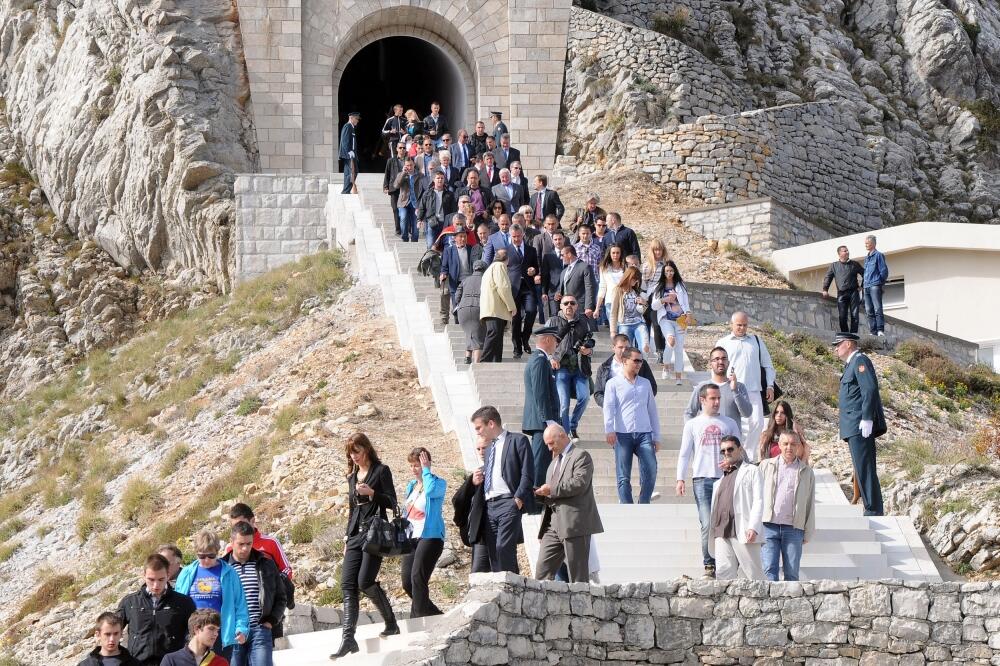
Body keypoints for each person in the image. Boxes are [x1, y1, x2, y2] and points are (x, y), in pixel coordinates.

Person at [330, 433, 399, 659]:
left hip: (375, 533)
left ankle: (390, 622)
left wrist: (372, 494)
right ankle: (348, 639)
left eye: (357, 451)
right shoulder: (352, 476)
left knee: (364, 581)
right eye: (351, 452)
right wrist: (346, 538)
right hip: (354, 536)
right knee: (347, 584)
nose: (354, 456)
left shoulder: (381, 471)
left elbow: (392, 502)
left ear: (366, 449)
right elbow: (352, 510)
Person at [676, 383, 741, 579]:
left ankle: (732, 562)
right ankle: (709, 565)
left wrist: (733, 465)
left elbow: (740, 452)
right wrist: (681, 478)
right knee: (707, 523)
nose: (717, 402)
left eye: (719, 398)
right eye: (713, 398)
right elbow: (685, 453)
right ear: (702, 400)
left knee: (729, 521)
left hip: (726, 478)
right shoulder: (693, 424)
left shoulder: (729, 423)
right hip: (702, 479)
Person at [533, 424, 603, 583]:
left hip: (574, 523)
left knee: (577, 576)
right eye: (547, 445)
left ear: (563, 436)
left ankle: (581, 607)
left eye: (552, 443)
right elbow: (552, 495)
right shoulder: (553, 464)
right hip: (552, 525)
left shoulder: (581, 455)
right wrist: (539, 494)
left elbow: (579, 483)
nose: (549, 448)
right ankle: (543, 607)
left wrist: (550, 489)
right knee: (542, 572)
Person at [470, 406, 534, 573]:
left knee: (503, 547)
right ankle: (509, 590)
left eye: (479, 428)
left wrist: (518, 499)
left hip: (508, 502)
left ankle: (511, 589)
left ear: (490, 423)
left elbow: (528, 473)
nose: (477, 432)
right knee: (495, 553)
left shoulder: (518, 441)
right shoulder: (490, 448)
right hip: (489, 505)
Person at [833, 331, 886, 516]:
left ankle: (873, 510)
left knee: (865, 467)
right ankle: (870, 507)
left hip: (859, 424)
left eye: (838, 344)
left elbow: (869, 389)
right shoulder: (850, 365)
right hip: (853, 425)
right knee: (860, 467)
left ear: (848, 344)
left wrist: (867, 418)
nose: (836, 349)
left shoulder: (859, 360)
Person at [175, 530, 249, 660]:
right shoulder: (186, 573)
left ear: (218, 552)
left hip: (220, 634)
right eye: (202, 556)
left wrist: (241, 629)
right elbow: (177, 604)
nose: (206, 560)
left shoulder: (229, 573)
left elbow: (240, 604)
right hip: (193, 633)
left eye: (211, 555)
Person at [222, 522, 287, 666]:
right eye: (240, 544)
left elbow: (281, 597)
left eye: (249, 543)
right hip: (233, 633)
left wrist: (271, 621)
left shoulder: (266, 564)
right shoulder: (222, 567)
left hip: (260, 629)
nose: (245, 548)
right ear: (231, 542)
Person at [603, 347, 660, 504]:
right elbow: (608, 408)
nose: (639, 364)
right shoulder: (613, 383)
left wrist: (657, 436)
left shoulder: (646, 383)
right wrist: (609, 430)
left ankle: (644, 502)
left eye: (641, 361)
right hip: (622, 434)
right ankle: (627, 507)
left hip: (644, 433)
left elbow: (652, 411)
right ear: (624, 360)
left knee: (651, 468)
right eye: (636, 360)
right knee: (623, 476)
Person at [117, 554, 196, 666]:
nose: (156, 585)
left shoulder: (184, 603)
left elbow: (194, 635)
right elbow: (111, 631)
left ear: (168, 575)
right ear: (143, 575)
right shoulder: (130, 602)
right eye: (151, 579)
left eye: (161, 579)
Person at [716, 312, 776, 457]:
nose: (742, 328)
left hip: (753, 389)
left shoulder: (756, 340)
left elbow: (768, 365)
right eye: (739, 325)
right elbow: (716, 365)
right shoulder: (723, 342)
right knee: (733, 424)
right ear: (731, 324)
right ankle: (732, 454)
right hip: (731, 389)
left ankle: (747, 455)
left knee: (757, 423)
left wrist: (770, 386)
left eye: (745, 325)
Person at [759, 432, 816, 581]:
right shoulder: (766, 466)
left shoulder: (806, 472)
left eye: (793, 444)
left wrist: (808, 530)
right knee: (769, 571)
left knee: (791, 573)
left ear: (798, 446)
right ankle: (770, 604)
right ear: (779, 445)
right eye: (785, 444)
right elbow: (756, 497)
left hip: (793, 528)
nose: (789, 447)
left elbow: (809, 503)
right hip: (769, 526)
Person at [709, 435, 764, 580]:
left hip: (743, 528)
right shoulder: (720, 479)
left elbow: (759, 500)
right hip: (721, 529)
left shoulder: (752, 470)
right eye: (723, 451)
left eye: (730, 449)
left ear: (740, 449)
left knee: (754, 573)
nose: (726, 453)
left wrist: (753, 526)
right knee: (723, 573)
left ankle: (763, 602)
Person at [400, 447, 446, 619]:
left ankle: (416, 621)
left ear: (426, 463)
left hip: (430, 537)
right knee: (407, 582)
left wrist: (426, 470)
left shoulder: (438, 483)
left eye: (417, 465)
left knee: (418, 577)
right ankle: (437, 616)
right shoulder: (411, 486)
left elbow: (431, 491)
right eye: (411, 465)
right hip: (411, 538)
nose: (414, 469)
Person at [550, 297, 595, 440]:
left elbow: (590, 342)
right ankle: (567, 431)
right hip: (561, 367)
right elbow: (544, 342)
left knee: (584, 397)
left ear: (577, 306)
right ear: (561, 306)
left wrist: (588, 351)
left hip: (580, 367)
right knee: (564, 404)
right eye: (566, 303)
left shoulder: (583, 321)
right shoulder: (553, 321)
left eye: (572, 303)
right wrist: (551, 358)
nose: (569, 305)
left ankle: (572, 425)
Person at [523, 325, 562, 487]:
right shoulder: (540, 360)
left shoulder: (540, 359)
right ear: (546, 339)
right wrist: (548, 420)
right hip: (541, 423)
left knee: (542, 462)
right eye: (555, 340)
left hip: (541, 422)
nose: (556, 344)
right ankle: (534, 501)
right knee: (539, 464)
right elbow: (540, 393)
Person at [451, 435, 491, 573]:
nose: (481, 452)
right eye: (478, 449)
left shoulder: (504, 469)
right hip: (481, 533)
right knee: (478, 576)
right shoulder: (478, 473)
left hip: (501, 530)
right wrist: (471, 484)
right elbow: (457, 500)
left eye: (484, 447)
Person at [685, 347, 752, 426]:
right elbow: (689, 413)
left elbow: (747, 413)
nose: (720, 362)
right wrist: (693, 432)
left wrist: (735, 391)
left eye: (724, 359)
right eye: (716, 359)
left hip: (731, 437)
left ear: (728, 362)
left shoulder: (739, 387)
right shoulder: (702, 387)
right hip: (709, 436)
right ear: (710, 364)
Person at [226, 504, 293, 581]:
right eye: (234, 526)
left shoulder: (271, 542)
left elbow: (287, 570)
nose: (238, 529)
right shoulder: (230, 548)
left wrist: (274, 585)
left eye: (241, 524)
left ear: (253, 521)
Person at [649, 260, 690, 384]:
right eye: (667, 271)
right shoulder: (659, 286)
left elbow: (686, 303)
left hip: (680, 319)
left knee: (679, 348)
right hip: (665, 319)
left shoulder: (680, 285)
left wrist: (688, 315)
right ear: (663, 272)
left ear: (674, 271)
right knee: (671, 341)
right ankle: (666, 366)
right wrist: (664, 299)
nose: (669, 273)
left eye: (671, 270)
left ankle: (678, 376)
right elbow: (653, 306)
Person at [594, 334, 657, 407]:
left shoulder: (641, 363)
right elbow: (598, 393)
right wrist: (609, 405)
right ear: (613, 348)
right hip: (614, 410)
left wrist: (640, 402)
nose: (624, 350)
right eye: (620, 347)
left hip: (636, 408)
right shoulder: (603, 368)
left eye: (627, 347)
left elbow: (652, 387)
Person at [478, 249, 516, 362]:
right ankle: (485, 360)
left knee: (497, 335)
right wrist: (511, 306)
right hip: (495, 309)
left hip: (491, 308)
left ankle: (496, 360)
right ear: (507, 259)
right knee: (494, 333)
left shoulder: (490, 268)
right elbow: (503, 287)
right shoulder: (499, 266)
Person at [160, 609, 229, 666]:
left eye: (217, 630)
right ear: (196, 629)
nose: (216, 634)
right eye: (211, 628)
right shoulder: (171, 660)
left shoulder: (221, 663)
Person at [822, 245, 864, 334]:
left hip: (853, 293)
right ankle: (845, 334)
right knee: (842, 316)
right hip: (841, 294)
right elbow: (828, 277)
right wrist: (825, 289)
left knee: (854, 315)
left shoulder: (855, 264)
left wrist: (862, 286)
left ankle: (853, 335)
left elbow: (865, 274)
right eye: (845, 251)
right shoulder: (834, 265)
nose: (847, 252)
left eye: (847, 250)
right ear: (839, 253)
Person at [609, 266, 649, 353]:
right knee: (626, 351)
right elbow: (613, 312)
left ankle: (642, 365)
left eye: (637, 279)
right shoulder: (618, 290)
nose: (636, 281)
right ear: (628, 277)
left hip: (639, 322)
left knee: (645, 347)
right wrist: (613, 331)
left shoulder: (636, 291)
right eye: (634, 278)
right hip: (624, 324)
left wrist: (644, 303)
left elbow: (642, 310)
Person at [555, 244, 597, 328]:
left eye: (562, 255)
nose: (561, 258)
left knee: (583, 335)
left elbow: (590, 287)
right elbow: (562, 288)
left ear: (569, 254)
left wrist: (588, 307)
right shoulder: (564, 271)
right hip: (566, 310)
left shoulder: (585, 266)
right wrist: (558, 294)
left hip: (581, 309)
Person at [455, 260, 488, 364]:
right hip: (479, 309)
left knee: (470, 333)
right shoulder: (486, 280)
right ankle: (476, 364)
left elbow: (457, 297)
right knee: (479, 336)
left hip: (463, 310)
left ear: (474, 268)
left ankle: (468, 357)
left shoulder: (465, 280)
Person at [440, 229, 475, 325]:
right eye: (460, 236)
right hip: (455, 282)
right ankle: (457, 324)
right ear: (455, 238)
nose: (463, 239)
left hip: (469, 282)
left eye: (464, 236)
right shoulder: (449, 251)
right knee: (456, 306)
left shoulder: (471, 249)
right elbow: (444, 266)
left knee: (467, 305)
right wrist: (443, 274)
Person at [641, 239, 668, 363]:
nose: (658, 252)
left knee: (658, 325)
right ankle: (643, 352)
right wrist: (643, 299)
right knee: (645, 325)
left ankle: (660, 353)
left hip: (661, 297)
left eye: (660, 249)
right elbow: (643, 284)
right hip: (649, 297)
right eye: (655, 249)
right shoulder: (647, 266)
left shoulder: (667, 265)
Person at [863, 234, 889, 337]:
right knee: (869, 310)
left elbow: (884, 271)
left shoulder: (879, 255)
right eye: (865, 243)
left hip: (875, 285)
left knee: (877, 308)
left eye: (867, 243)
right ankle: (873, 332)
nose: (865, 245)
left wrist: (879, 283)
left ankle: (880, 330)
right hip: (866, 286)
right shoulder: (867, 258)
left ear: (873, 244)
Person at [539, 229, 567, 323]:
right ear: (552, 240)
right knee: (554, 318)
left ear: (564, 239)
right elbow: (545, 275)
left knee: (566, 318)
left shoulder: (570, 253)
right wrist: (544, 292)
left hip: (567, 291)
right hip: (552, 291)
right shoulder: (547, 256)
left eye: (560, 239)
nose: (558, 241)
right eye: (555, 239)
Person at [594, 244, 625, 325]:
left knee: (623, 329)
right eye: (613, 253)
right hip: (610, 301)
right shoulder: (604, 267)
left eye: (618, 253)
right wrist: (597, 308)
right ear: (609, 254)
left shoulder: (625, 266)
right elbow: (602, 287)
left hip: (624, 301)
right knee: (614, 328)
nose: (615, 255)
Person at [393, 158, 421, 243]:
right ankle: (404, 238)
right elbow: (396, 186)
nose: (409, 167)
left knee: (415, 222)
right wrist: (403, 173)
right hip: (403, 202)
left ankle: (414, 240)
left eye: (411, 165)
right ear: (404, 166)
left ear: (414, 165)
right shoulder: (401, 174)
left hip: (416, 203)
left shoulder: (420, 175)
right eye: (407, 165)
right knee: (403, 217)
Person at [383, 142, 407, 235]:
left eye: (404, 148)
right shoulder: (391, 161)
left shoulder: (409, 160)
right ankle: (398, 229)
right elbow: (387, 174)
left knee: (405, 209)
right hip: (394, 188)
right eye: (400, 147)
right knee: (395, 209)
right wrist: (385, 186)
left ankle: (405, 228)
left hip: (405, 188)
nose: (402, 149)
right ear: (396, 149)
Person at [339, 111, 360, 194]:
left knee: (353, 171)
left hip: (351, 154)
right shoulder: (347, 126)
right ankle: (346, 191)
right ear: (351, 118)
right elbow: (344, 141)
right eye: (356, 119)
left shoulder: (351, 127)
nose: (357, 121)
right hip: (348, 154)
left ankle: (347, 190)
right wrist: (349, 151)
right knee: (351, 172)